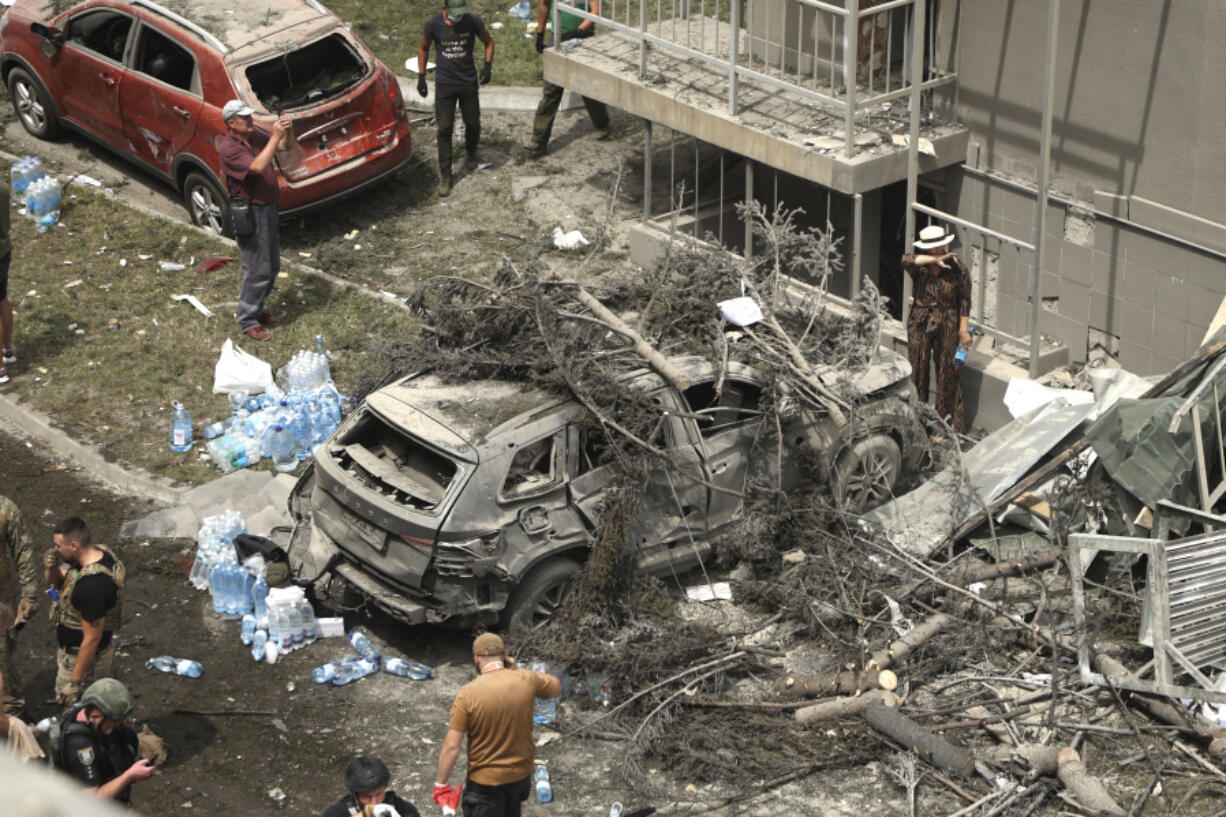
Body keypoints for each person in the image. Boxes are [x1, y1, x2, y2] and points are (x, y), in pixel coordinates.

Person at [434, 633, 561, 817]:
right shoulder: (526, 679)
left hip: (485, 784)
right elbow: (556, 686)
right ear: (504, 655)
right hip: (520, 777)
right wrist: (516, 670)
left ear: (477, 659)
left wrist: (441, 784)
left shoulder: (467, 694)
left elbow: (452, 746)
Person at [219, 99, 294, 341]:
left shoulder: (253, 137)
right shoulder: (229, 149)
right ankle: (248, 319)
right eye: (245, 118)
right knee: (256, 269)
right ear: (232, 123)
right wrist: (274, 136)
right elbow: (258, 167)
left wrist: (287, 130)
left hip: (269, 208)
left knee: (272, 267)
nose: (251, 121)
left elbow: (283, 147)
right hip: (252, 213)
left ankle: (258, 310)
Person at [417, 0, 495, 198]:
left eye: (461, 13)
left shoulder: (472, 22)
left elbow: (489, 42)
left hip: (467, 82)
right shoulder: (432, 24)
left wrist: (487, 66)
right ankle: (446, 176)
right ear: (445, 9)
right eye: (455, 13)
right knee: (444, 129)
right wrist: (421, 76)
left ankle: (471, 155)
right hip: (445, 84)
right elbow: (423, 48)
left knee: (473, 123)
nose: (458, 17)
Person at [45, 517, 125, 706]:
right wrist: (51, 567)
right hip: (76, 653)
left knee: (79, 713)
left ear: (73, 545)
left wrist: (74, 682)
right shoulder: (100, 553)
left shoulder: (92, 588)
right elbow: (57, 582)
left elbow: (91, 640)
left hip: (83, 660)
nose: (55, 549)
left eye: (58, 546)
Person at [902, 224, 973, 436]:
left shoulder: (957, 267)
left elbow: (965, 300)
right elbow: (906, 259)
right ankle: (918, 424)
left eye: (938, 246)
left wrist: (963, 330)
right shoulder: (919, 264)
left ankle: (945, 427)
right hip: (920, 319)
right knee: (918, 370)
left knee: (947, 372)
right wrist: (933, 260)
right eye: (931, 248)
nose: (936, 250)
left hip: (947, 320)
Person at [527, 0, 611, 158]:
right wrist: (540, 34)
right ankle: (538, 141)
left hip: (583, 40)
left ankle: (602, 124)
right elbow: (544, 5)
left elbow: (595, 12)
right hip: (557, 37)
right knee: (551, 90)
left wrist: (577, 31)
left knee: (588, 87)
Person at [52, 678, 156, 805]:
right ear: (95, 716)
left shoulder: (83, 711)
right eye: (114, 721)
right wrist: (129, 775)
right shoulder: (81, 746)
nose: (118, 725)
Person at [0, 495, 37, 716]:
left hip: (1, 603)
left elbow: (22, 550)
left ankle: (13, 713)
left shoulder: (5, 509)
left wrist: (30, 593)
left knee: (3, 658)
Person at [322, 756, 422, 817]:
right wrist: (366, 814)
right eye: (366, 797)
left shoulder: (403, 808)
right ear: (354, 794)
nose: (374, 802)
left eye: (378, 794)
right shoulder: (336, 813)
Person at [0, 180, 13, 384]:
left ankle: (0, 370)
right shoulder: (2, 187)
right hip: (4, 250)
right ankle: (8, 350)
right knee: (2, 299)